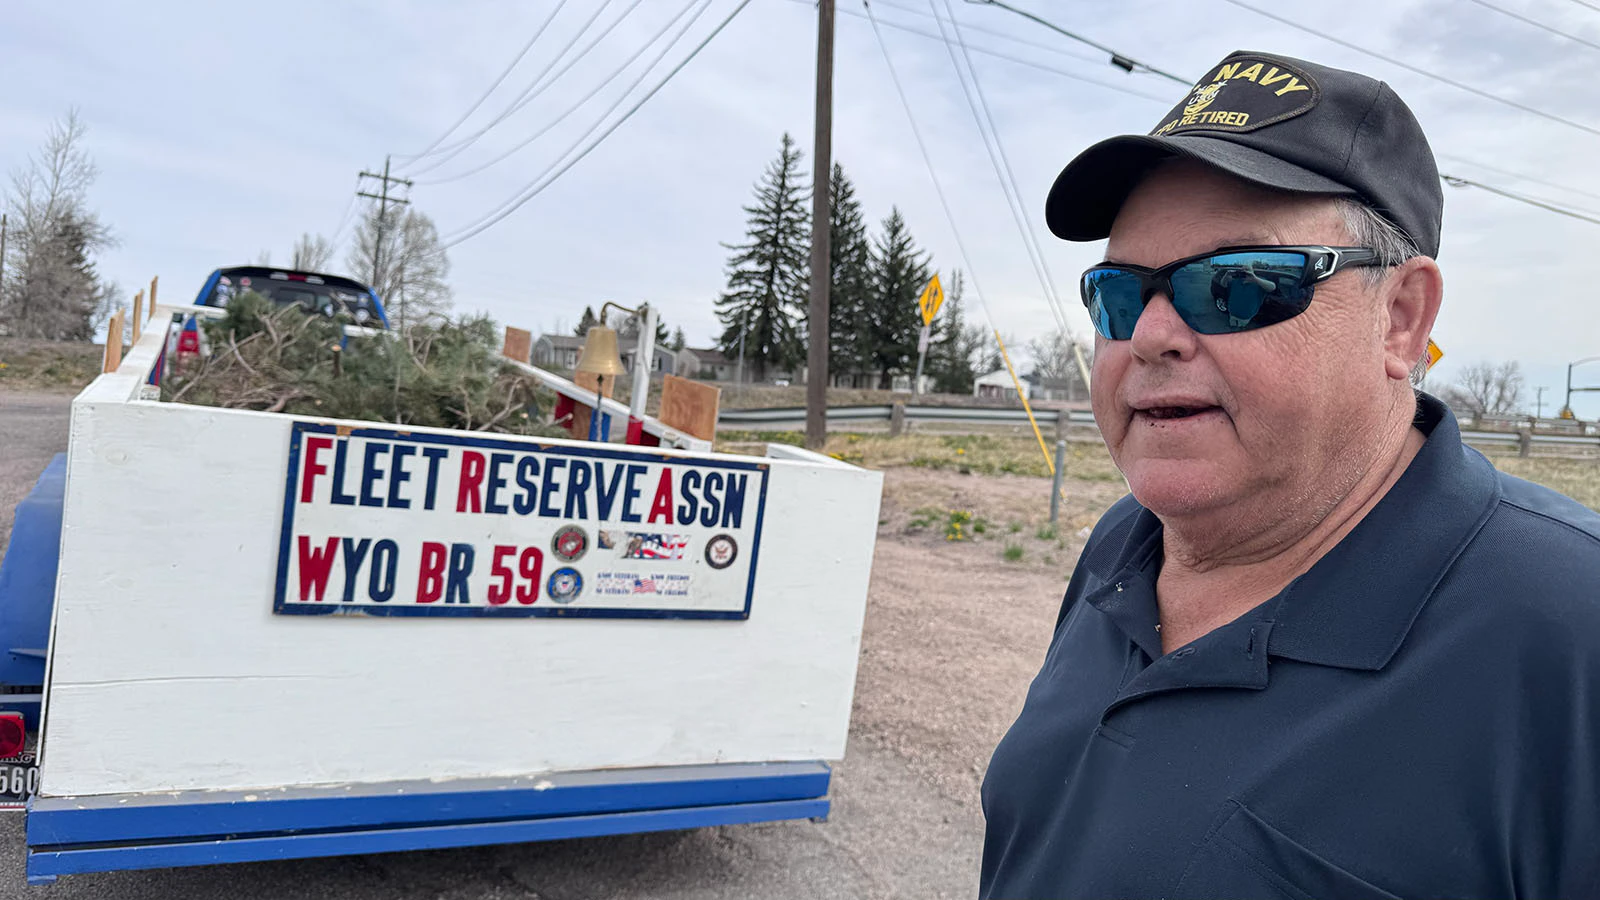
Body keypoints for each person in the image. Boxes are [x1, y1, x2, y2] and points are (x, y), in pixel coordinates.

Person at [980, 50, 1600, 899]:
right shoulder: (1125, 548)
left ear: (1401, 320)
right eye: (1119, 294)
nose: (1151, 334)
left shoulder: (1568, 630)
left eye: (1236, 285)